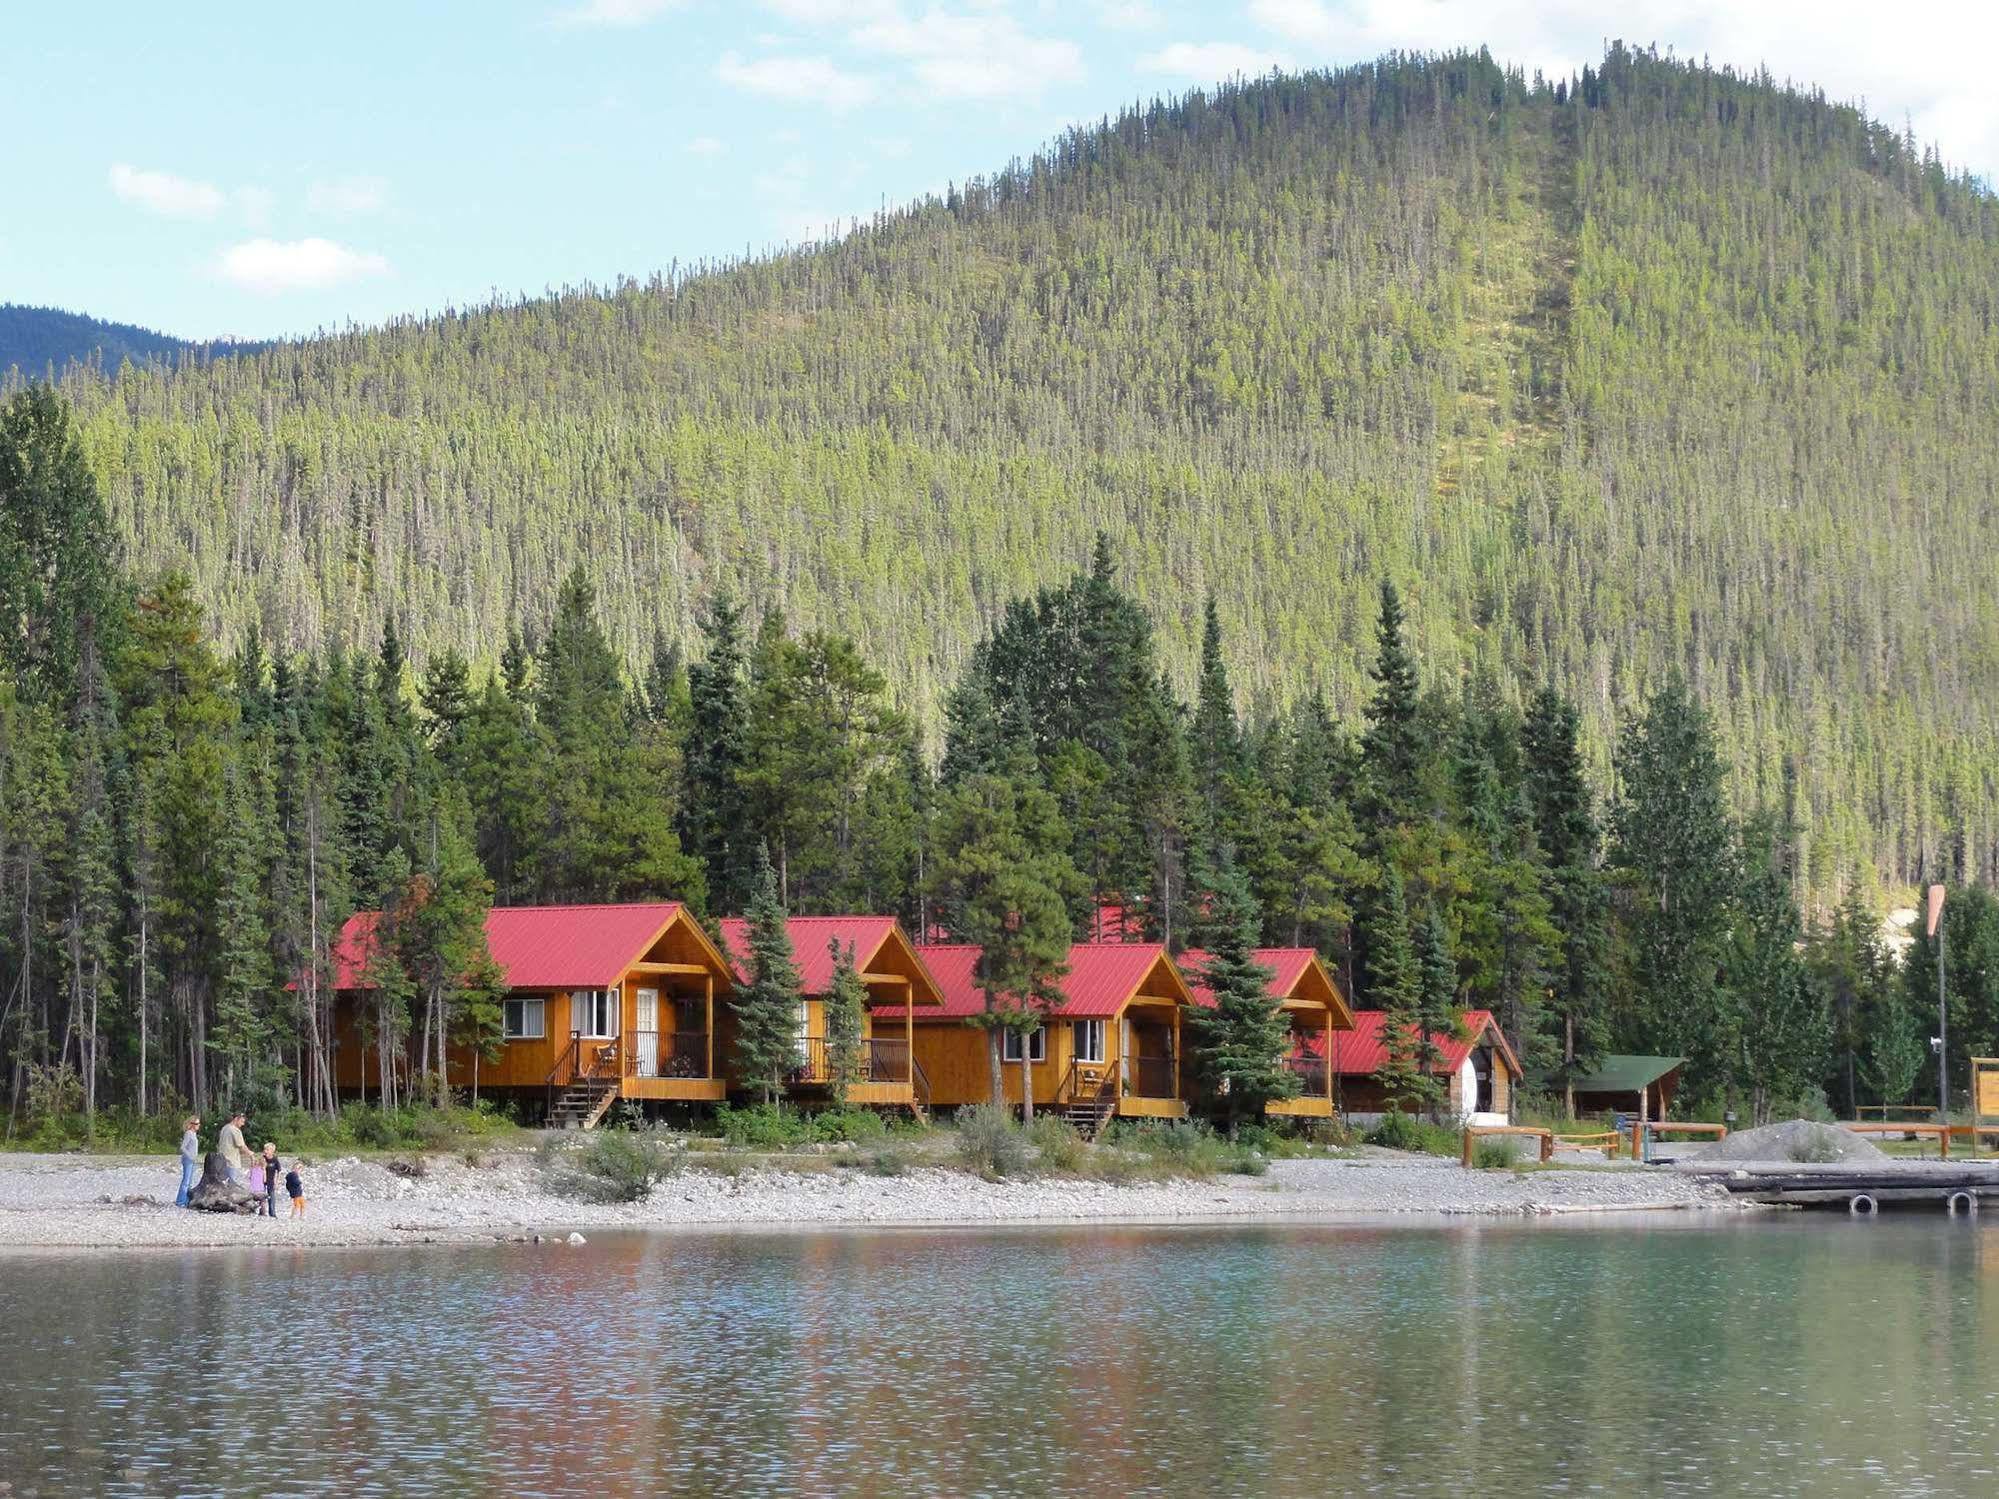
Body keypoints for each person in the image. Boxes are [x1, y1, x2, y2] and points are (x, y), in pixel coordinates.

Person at [216, 1110, 252, 1189]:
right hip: (232, 1162)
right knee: (232, 1185)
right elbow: (241, 1146)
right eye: (242, 1121)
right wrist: (250, 1154)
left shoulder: (224, 1128)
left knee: (222, 1185)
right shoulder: (235, 1130)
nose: (243, 1124)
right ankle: (230, 1200)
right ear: (236, 1119)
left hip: (221, 1161)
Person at [175, 1115, 201, 1208]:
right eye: (197, 1123)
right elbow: (182, 1147)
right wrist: (190, 1156)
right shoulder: (189, 1133)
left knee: (189, 1181)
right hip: (188, 1160)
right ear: (192, 1124)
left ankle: (186, 1200)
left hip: (192, 1160)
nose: (199, 1125)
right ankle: (180, 1201)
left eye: (199, 1123)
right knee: (186, 1181)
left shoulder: (194, 1134)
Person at [259, 1142, 280, 1218]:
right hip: (262, 1180)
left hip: (271, 1180)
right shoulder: (263, 1158)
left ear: (272, 1151)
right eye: (265, 1149)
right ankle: (262, 1211)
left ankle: (272, 1212)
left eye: (267, 1149)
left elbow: (278, 1171)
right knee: (261, 1196)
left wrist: (277, 1182)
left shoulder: (275, 1159)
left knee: (271, 1196)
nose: (265, 1151)